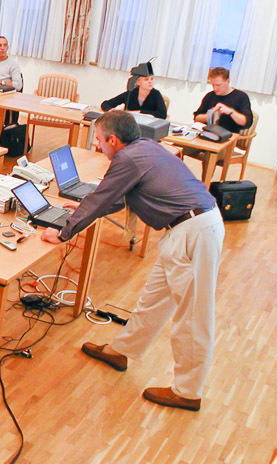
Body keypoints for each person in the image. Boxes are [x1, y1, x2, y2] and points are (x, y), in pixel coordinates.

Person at [41, 110, 224, 412]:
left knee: (193, 317)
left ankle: (188, 392)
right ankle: (121, 350)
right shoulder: (146, 148)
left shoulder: (126, 160)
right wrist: (82, 208)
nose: (98, 146)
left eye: (99, 140)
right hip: (187, 230)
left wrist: (63, 232)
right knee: (153, 300)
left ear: (113, 139)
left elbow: (103, 199)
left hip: (194, 233)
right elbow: (116, 198)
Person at [193, 67, 253, 133]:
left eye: (218, 85)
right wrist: (211, 115)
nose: (215, 88)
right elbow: (196, 118)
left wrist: (231, 112)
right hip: (208, 134)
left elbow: (246, 123)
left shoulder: (241, 97)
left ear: (228, 81)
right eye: (213, 85)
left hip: (229, 136)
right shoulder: (210, 96)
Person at [100, 66, 167, 119]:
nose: (150, 82)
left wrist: (140, 112)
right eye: (146, 79)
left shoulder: (156, 94)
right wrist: (111, 111)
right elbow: (105, 104)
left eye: (152, 79)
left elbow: (162, 114)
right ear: (138, 82)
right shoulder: (131, 93)